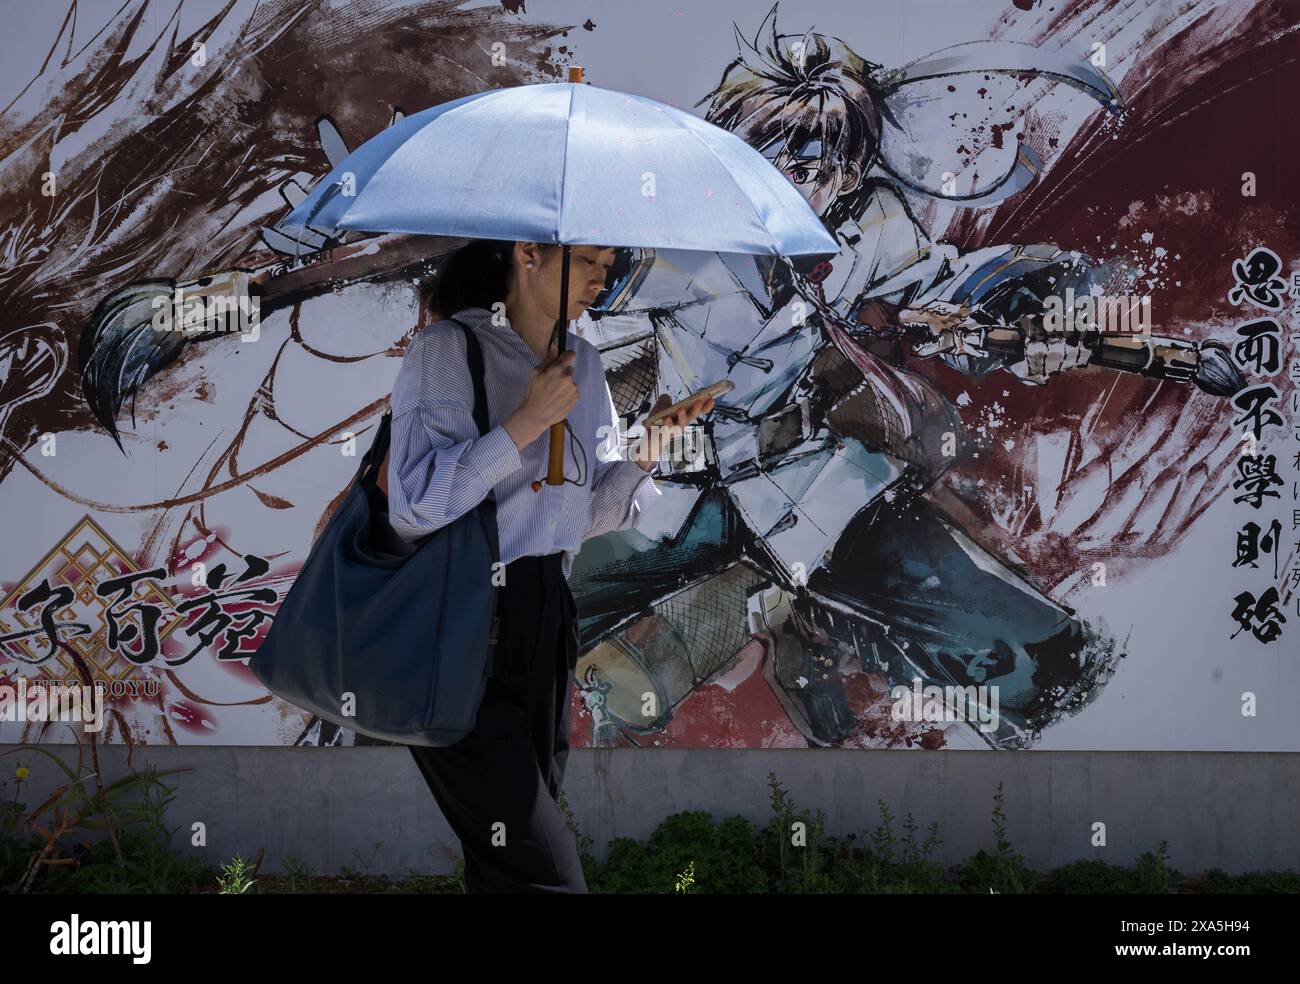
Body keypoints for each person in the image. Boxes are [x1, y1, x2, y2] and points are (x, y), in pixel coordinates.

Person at [384, 239, 714, 893]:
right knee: (540, 866)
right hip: (456, 620)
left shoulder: (584, 367)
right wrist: (527, 421)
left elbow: (576, 520)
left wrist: (646, 452)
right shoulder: (450, 349)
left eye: (608, 261)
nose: (604, 274)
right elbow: (417, 506)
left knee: (507, 856)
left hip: (543, 613)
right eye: (589, 259)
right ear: (528, 254)